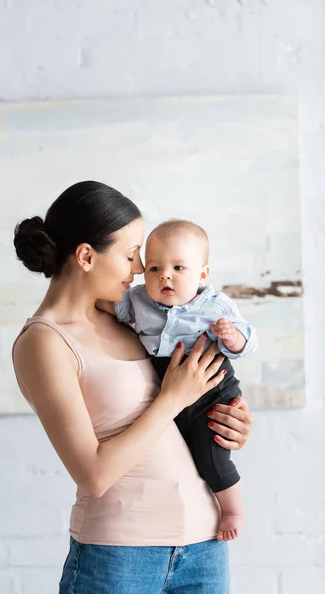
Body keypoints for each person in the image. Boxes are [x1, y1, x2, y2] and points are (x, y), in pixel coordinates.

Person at [11, 181, 253, 594]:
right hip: (120, 556)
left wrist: (228, 421)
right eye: (129, 255)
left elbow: (175, 417)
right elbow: (93, 475)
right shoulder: (44, 342)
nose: (141, 268)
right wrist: (173, 397)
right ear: (86, 256)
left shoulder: (130, 322)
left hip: (204, 542)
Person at [98, 219, 258, 542]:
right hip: (169, 385)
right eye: (154, 267)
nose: (164, 275)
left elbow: (247, 342)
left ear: (202, 274)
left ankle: (233, 509)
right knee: (183, 451)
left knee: (211, 455)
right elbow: (109, 304)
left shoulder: (216, 306)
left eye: (178, 268)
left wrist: (233, 337)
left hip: (213, 389)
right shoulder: (139, 299)